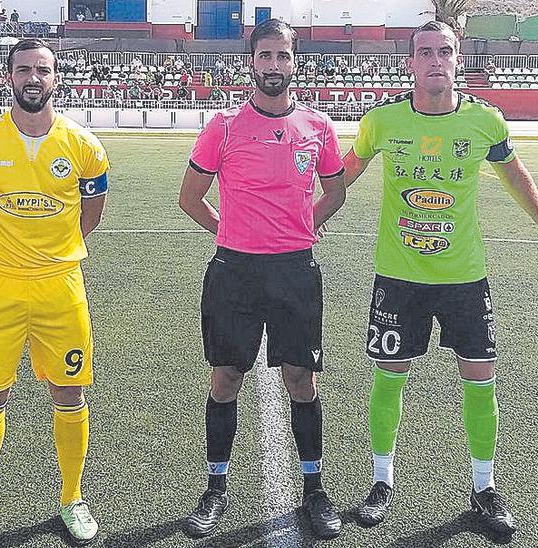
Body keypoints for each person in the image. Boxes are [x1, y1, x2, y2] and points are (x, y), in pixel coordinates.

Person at [340, 21, 538, 537]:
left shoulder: (484, 122)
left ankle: (484, 489)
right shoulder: (382, 122)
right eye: (424, 52)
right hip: (399, 274)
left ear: (458, 59)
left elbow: (517, 176)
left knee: (480, 377)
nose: (435, 61)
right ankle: (382, 482)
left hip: (465, 276)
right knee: (390, 375)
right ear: (410, 63)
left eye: (444, 51)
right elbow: (345, 174)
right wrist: (310, 217)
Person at [178, 18, 348, 541]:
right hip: (235, 270)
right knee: (227, 376)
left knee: (302, 378)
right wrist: (229, 232)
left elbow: (335, 192)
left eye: (282, 56)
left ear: (295, 61)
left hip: (295, 270)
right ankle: (215, 488)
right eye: (265, 56)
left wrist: (300, 227)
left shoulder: (318, 127)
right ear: (250, 61)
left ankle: (315, 489)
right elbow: (190, 199)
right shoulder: (223, 126)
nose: (273, 66)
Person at [0, 39, 110, 546]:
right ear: (9, 76)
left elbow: (91, 214)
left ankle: (72, 498)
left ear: (56, 78)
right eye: (24, 70)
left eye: (42, 70)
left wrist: (57, 253)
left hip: (62, 286)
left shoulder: (83, 145)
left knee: (69, 389)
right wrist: (5, 251)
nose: (33, 78)